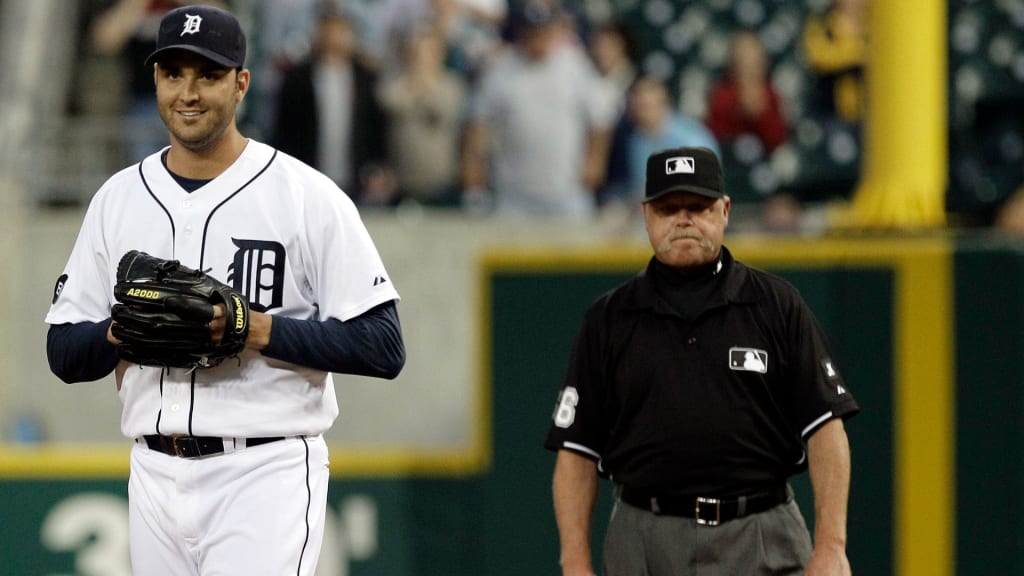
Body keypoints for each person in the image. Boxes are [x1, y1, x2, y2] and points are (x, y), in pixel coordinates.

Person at [44, 6, 405, 575]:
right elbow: (63, 352)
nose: (188, 92)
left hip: (263, 471)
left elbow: (383, 345)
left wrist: (253, 328)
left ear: (241, 84)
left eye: (207, 75)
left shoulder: (306, 195)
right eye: (173, 74)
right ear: (156, 80)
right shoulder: (117, 199)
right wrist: (124, 331)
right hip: (153, 471)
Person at [545, 146, 859, 575]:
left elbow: (826, 428)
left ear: (725, 210)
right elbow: (576, 450)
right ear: (647, 216)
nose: (684, 219)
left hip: (760, 531)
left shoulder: (775, 304)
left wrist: (831, 546)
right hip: (645, 538)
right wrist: (575, 563)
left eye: (698, 206)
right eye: (669, 208)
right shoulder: (610, 318)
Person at [461, 0, 616, 218]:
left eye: (543, 31)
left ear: (553, 31)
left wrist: (594, 163)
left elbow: (601, 119)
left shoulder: (575, 65)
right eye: (531, 32)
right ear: (521, 33)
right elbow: (477, 125)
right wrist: (474, 182)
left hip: (567, 191)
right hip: (513, 194)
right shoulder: (502, 69)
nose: (537, 39)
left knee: (574, 251)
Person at [271, 5, 394, 205]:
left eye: (341, 31)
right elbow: (285, 131)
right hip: (308, 179)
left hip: (357, 180)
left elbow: (376, 129)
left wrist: (378, 168)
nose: (334, 37)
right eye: (328, 30)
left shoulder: (366, 79)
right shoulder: (297, 78)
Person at [378, 23, 468, 207]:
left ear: (439, 55)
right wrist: (415, 83)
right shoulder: (395, 82)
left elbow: (441, 113)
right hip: (402, 184)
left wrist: (424, 85)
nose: (420, 58)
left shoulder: (452, 85)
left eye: (427, 52)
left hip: (442, 183)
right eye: (416, 51)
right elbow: (391, 103)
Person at [705, 29, 788, 154]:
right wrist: (738, 110)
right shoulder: (721, 95)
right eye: (743, 61)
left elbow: (779, 139)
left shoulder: (771, 94)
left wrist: (761, 115)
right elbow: (711, 136)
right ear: (732, 64)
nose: (749, 68)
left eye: (755, 61)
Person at [802, 0, 868, 124]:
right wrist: (859, 53)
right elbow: (817, 57)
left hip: (870, 114)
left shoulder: (877, 24)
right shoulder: (822, 21)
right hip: (829, 113)